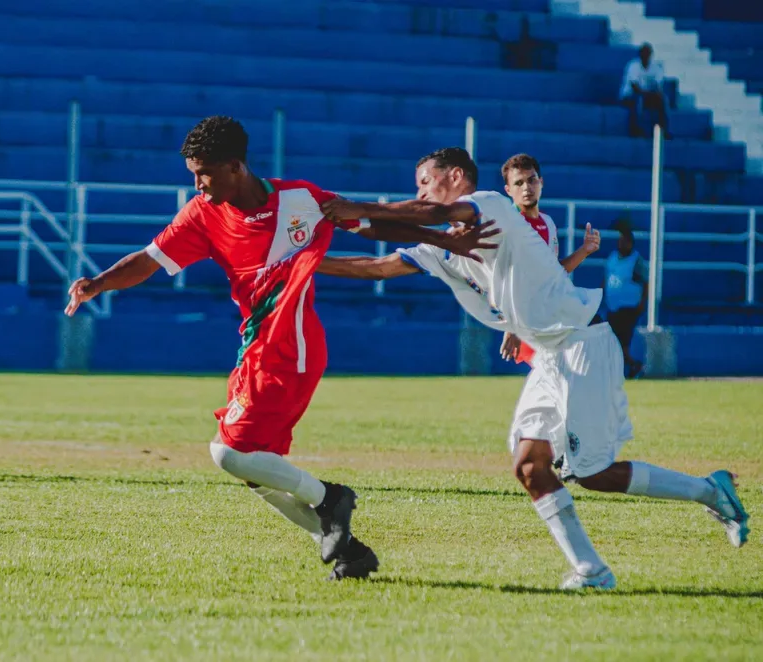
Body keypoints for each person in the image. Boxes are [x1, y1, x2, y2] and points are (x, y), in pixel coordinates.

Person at [63, 118, 497, 580]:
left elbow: (373, 223)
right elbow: (150, 259)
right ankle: (346, 550)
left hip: (292, 342)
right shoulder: (201, 214)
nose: (196, 184)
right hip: (254, 344)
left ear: (234, 166)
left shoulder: (300, 200)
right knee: (252, 468)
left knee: (229, 454)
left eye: (204, 172)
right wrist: (99, 283)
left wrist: (443, 239)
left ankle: (330, 498)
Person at [317, 147, 750, 590]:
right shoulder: (443, 250)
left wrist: (361, 207)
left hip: (582, 341)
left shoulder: (492, 204)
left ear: (454, 175)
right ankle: (592, 571)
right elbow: (375, 266)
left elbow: (429, 211)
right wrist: (306, 264)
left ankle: (711, 491)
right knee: (529, 466)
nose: (419, 190)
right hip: (548, 354)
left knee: (592, 473)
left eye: (425, 180)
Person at [499, 153, 600, 366]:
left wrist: (584, 250)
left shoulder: (548, 222)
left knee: (566, 377)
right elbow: (508, 280)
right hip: (529, 320)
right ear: (508, 191)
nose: (526, 187)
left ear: (541, 182)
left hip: (551, 314)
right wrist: (512, 327)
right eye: (518, 183)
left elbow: (554, 272)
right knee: (559, 378)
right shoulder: (510, 227)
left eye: (531, 180)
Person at [604, 218, 648, 378]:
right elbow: (607, 278)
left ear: (630, 243)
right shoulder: (612, 257)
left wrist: (642, 303)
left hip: (629, 307)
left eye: (625, 241)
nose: (621, 244)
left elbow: (645, 283)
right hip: (613, 306)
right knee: (614, 341)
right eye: (620, 241)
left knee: (621, 342)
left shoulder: (636, 260)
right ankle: (631, 366)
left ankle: (632, 366)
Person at [621, 43, 670, 139]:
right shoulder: (633, 66)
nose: (646, 56)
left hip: (648, 96)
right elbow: (635, 88)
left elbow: (658, 87)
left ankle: (663, 130)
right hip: (630, 96)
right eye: (644, 54)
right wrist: (650, 94)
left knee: (663, 100)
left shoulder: (656, 68)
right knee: (639, 99)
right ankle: (636, 129)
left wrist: (655, 94)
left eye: (648, 54)